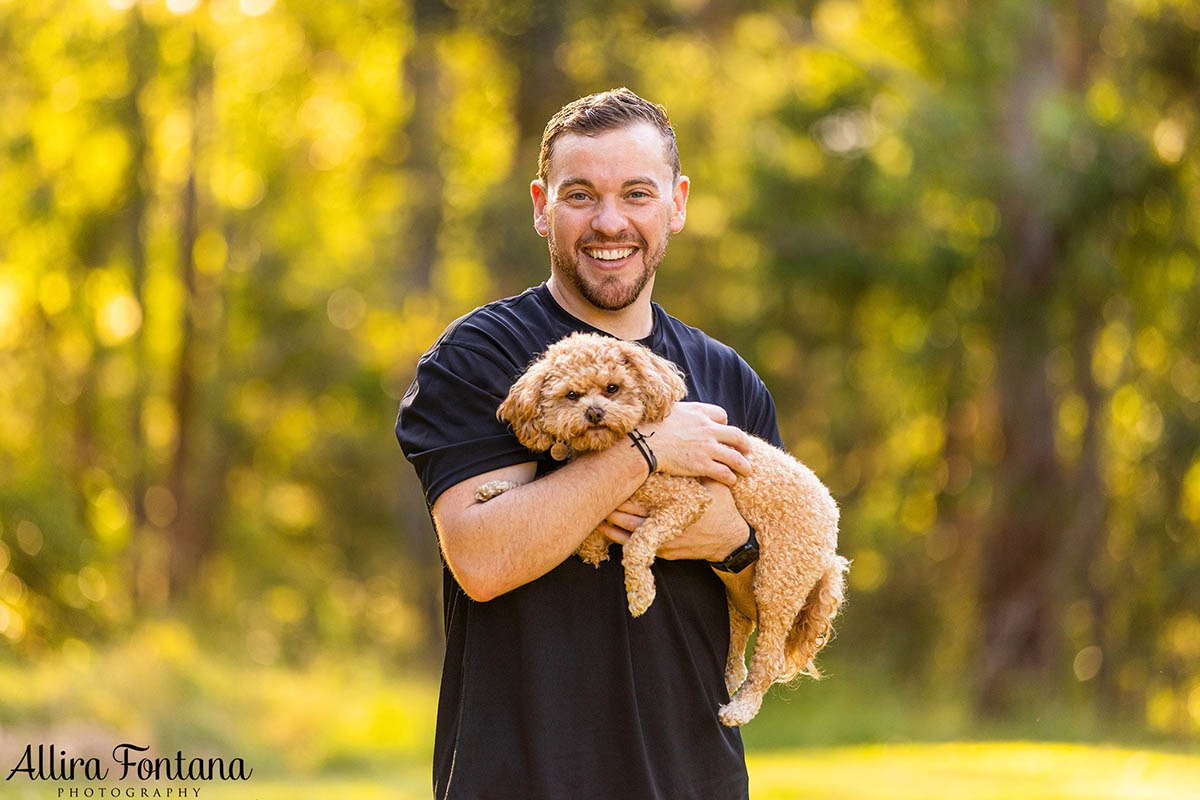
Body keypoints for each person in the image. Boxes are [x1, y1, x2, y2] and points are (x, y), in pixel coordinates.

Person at [396, 88, 784, 800]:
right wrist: (646, 454)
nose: (611, 222)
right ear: (544, 205)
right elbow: (481, 558)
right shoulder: (479, 357)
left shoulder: (727, 378)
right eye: (581, 195)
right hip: (520, 781)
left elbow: (784, 600)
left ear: (677, 202)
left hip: (694, 780)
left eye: (637, 193)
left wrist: (727, 539)